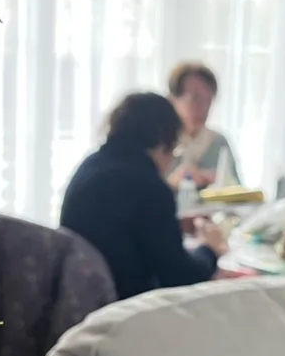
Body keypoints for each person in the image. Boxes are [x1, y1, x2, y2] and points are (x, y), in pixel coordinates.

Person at [60, 92, 228, 300]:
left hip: (80, 299)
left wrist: (172, 225)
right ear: (161, 140)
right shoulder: (149, 187)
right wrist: (209, 248)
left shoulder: (92, 165)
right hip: (125, 307)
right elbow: (181, 277)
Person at [166, 62, 239, 189]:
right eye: (196, 98)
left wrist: (222, 182)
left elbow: (239, 191)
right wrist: (173, 183)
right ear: (173, 99)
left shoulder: (219, 142)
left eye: (208, 100)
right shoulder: (160, 143)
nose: (203, 107)